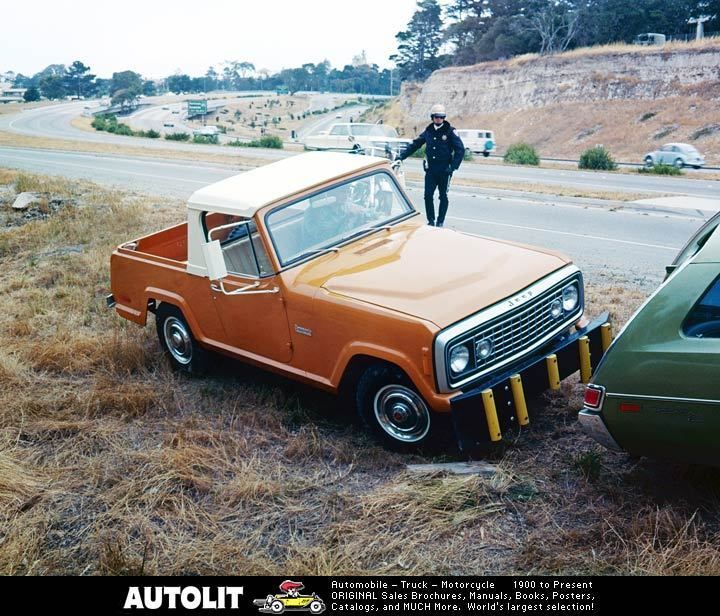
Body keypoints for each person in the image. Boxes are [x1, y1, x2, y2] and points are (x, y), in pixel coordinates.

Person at [399, 103, 464, 227]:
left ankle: (440, 221)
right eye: (436, 117)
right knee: (428, 196)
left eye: (441, 117)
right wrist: (402, 156)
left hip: (445, 170)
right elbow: (416, 144)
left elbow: (460, 149)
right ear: (432, 117)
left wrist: (453, 166)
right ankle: (431, 220)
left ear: (444, 117)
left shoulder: (450, 131)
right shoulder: (428, 131)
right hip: (431, 170)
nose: (439, 119)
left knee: (443, 196)